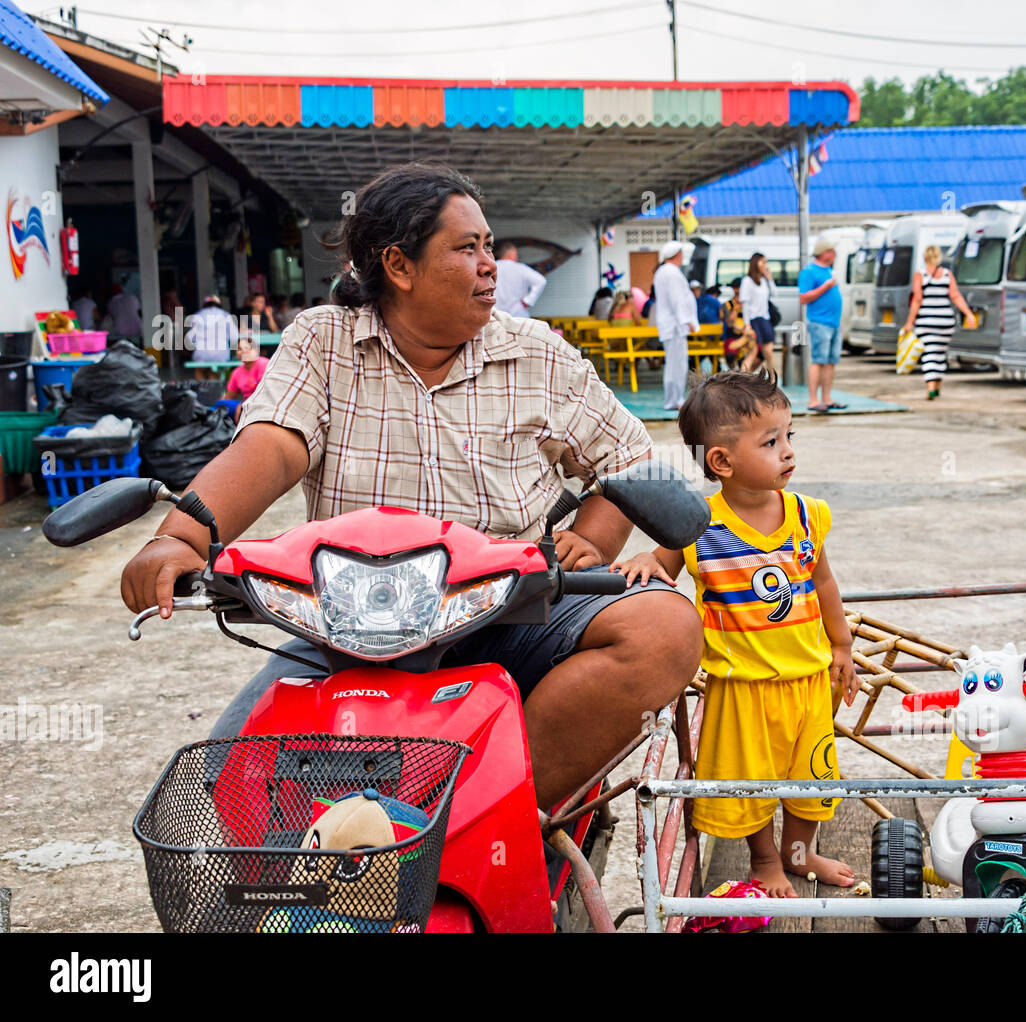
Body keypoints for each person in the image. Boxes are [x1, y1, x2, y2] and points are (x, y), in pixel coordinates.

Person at [119, 162, 701, 812]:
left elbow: (625, 461)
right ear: (399, 265)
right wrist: (180, 536)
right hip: (350, 625)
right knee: (234, 787)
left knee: (663, 630)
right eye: (467, 247)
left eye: (488, 246)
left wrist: (590, 540)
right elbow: (274, 446)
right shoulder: (324, 340)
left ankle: (495, 821)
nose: (491, 266)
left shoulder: (538, 351)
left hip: (512, 610)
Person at [612, 371, 859, 897]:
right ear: (721, 462)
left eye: (790, 436)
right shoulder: (699, 525)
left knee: (809, 780)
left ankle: (800, 853)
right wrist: (641, 559)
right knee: (745, 786)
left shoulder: (807, 516)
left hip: (808, 683)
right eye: (771, 443)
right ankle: (765, 861)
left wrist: (841, 646)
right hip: (740, 688)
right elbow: (659, 565)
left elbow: (823, 580)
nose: (788, 452)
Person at [902, 244, 976, 400]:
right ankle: (937, 386)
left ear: (925, 257)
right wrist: (968, 314)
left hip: (926, 321)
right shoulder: (947, 275)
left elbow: (917, 300)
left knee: (929, 354)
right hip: (945, 321)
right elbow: (955, 296)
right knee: (940, 354)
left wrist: (909, 323)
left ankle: (930, 387)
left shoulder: (920, 275)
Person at [797, 237, 845, 413]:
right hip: (820, 322)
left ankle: (827, 398)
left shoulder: (829, 271)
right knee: (818, 360)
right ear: (826, 253)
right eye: (833, 251)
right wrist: (825, 287)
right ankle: (813, 400)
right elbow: (803, 297)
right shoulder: (809, 272)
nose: (835, 255)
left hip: (834, 322)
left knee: (831, 361)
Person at [652, 241, 698, 411]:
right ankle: (674, 400)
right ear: (676, 255)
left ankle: (675, 399)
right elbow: (677, 299)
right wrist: (686, 320)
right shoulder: (670, 273)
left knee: (676, 364)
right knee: (676, 365)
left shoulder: (665, 272)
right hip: (675, 325)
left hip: (673, 325)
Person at [739, 253, 777, 380]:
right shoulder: (747, 281)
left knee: (769, 353)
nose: (765, 265)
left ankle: (772, 381)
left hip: (765, 319)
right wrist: (747, 324)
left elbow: (775, 294)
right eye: (763, 262)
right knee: (752, 353)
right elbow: (745, 303)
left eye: (766, 262)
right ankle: (741, 381)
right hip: (753, 320)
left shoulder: (764, 281)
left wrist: (770, 278)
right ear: (755, 263)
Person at [185, 294, 240, 378]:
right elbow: (235, 337)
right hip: (221, 354)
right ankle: (214, 387)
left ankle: (201, 388)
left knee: (199, 369)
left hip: (201, 353)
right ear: (219, 305)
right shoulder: (225, 315)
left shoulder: (196, 316)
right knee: (215, 370)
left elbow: (190, 338)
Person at [495, 242, 547, 317]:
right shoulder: (521, 268)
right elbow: (541, 281)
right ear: (510, 254)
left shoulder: (493, 267)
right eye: (516, 255)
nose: (517, 258)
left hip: (497, 314)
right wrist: (528, 301)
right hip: (518, 314)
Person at [223, 335, 270, 414]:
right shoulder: (237, 372)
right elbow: (229, 397)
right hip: (245, 404)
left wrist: (244, 405)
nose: (243, 351)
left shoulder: (264, 364)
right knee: (221, 405)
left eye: (247, 348)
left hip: (264, 404)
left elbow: (266, 392)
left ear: (256, 350)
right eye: (239, 349)